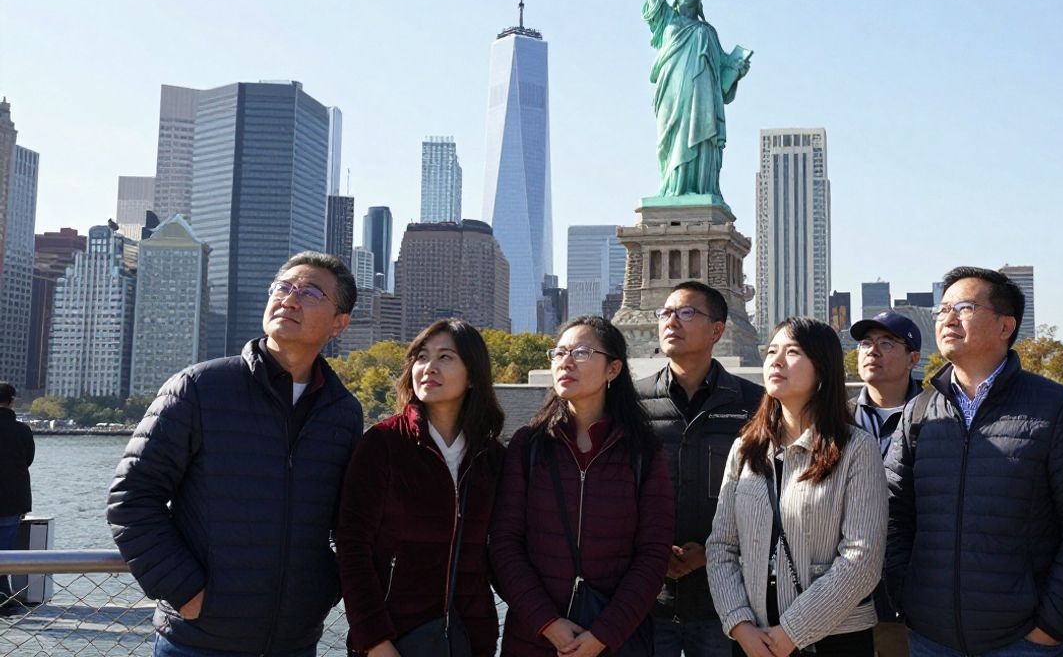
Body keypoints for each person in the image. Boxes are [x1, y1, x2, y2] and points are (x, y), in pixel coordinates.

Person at [107, 252, 363, 657]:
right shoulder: (199, 388)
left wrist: (321, 589)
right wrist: (187, 592)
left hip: (295, 642)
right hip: (198, 642)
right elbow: (132, 498)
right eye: (284, 287)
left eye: (311, 292)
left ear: (339, 323)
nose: (290, 299)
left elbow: (345, 523)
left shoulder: (343, 413)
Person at [884, 266, 1063, 656]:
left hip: (1023, 642)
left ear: (1005, 325)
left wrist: (1052, 623)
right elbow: (895, 512)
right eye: (941, 309)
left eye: (963, 307)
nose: (947, 318)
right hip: (929, 637)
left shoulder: (1057, 408)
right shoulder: (920, 411)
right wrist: (905, 596)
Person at [490, 315, 674, 656]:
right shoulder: (528, 445)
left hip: (616, 641)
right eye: (559, 353)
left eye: (582, 352)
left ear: (613, 370)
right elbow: (504, 545)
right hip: (535, 639)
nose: (566, 362)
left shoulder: (643, 450)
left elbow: (653, 554)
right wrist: (548, 623)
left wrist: (603, 633)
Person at [707, 317, 887, 656]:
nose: (776, 361)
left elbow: (862, 559)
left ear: (822, 368)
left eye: (792, 352)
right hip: (753, 639)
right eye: (771, 351)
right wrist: (739, 624)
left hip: (834, 639)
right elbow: (721, 547)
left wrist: (793, 632)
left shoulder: (856, 449)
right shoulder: (746, 448)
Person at [337, 319, 506, 657]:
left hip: (470, 639)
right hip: (392, 638)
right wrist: (374, 640)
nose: (429, 367)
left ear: (472, 375)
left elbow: (502, 552)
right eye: (421, 357)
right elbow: (352, 546)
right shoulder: (383, 444)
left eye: (446, 357)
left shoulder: (491, 458)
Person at [636, 281, 763, 656]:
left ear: (717, 330)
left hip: (725, 602)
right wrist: (654, 553)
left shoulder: (753, 404)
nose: (671, 321)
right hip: (647, 599)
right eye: (666, 313)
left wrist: (711, 552)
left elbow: (766, 499)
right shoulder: (631, 402)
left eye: (686, 312)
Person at [637, 0, 751, 199]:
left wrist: (737, 70)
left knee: (702, 141)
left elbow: (723, 75)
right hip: (673, 95)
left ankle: (700, 189)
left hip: (703, 98)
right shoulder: (667, 21)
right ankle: (672, 189)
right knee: (672, 140)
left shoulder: (708, 31)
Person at [848, 312, 921, 656]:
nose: (872, 351)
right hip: (840, 596)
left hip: (913, 596)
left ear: (914, 358)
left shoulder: (938, 417)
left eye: (886, 343)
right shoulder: (834, 420)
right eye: (865, 343)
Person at [0, 382, 34, 617]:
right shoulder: (22, 431)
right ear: (11, 401)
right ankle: (3, 596)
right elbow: (28, 459)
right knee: (5, 552)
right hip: (11, 500)